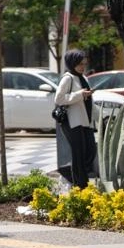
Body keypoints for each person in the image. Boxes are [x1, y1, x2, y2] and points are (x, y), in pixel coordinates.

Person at [54, 49, 97, 187]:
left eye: (84, 63)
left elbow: (88, 101)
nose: (83, 66)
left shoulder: (83, 78)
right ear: (72, 63)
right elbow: (59, 99)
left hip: (85, 121)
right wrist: (79, 94)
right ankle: (81, 185)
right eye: (80, 64)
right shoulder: (68, 78)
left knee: (90, 151)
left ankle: (68, 171)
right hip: (72, 122)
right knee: (78, 154)